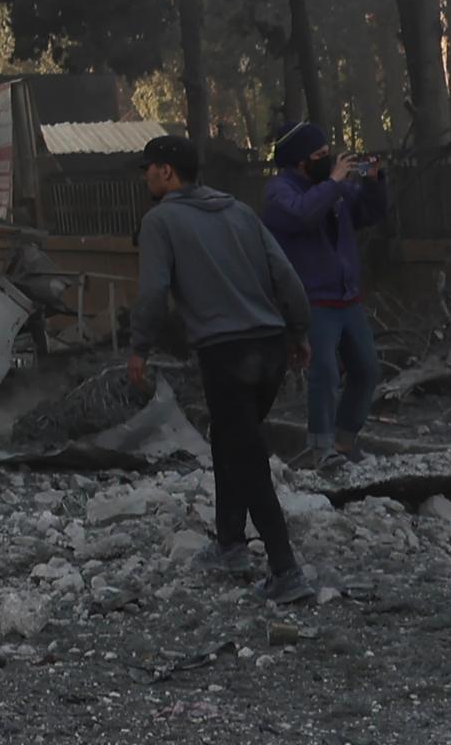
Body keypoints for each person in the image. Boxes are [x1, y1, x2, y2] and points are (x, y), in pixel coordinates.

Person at [128, 133, 313, 602]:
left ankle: (285, 570)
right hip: (270, 346)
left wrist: (139, 348)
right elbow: (286, 275)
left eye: (148, 167)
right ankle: (230, 541)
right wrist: (298, 330)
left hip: (226, 352)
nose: (145, 175)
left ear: (167, 172)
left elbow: (152, 293)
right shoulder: (239, 212)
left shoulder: (160, 221)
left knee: (246, 456)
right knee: (232, 439)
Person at [258, 123, 389, 467]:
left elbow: (368, 213)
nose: (327, 158)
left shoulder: (332, 187)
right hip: (311, 299)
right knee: (325, 373)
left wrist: (374, 181)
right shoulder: (280, 192)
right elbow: (301, 216)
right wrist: (333, 183)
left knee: (366, 369)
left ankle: (346, 442)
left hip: (347, 297)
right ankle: (320, 448)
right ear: (301, 161)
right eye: (319, 155)